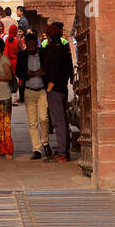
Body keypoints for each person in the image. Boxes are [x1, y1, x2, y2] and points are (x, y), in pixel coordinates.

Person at [16, 31, 51, 159]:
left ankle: (45, 142)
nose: (31, 48)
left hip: (42, 90)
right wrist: (27, 74)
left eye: (33, 46)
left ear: (36, 44)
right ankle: (37, 149)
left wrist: (43, 72)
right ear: (26, 45)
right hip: (29, 90)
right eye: (28, 46)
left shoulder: (43, 54)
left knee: (43, 119)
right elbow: (18, 72)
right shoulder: (22, 55)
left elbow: (49, 69)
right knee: (32, 122)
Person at [42, 22, 73, 162]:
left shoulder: (51, 49)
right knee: (63, 121)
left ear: (49, 36)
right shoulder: (64, 48)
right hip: (62, 87)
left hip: (54, 88)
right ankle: (64, 150)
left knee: (58, 121)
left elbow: (53, 70)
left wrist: (49, 87)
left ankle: (61, 153)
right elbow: (68, 68)